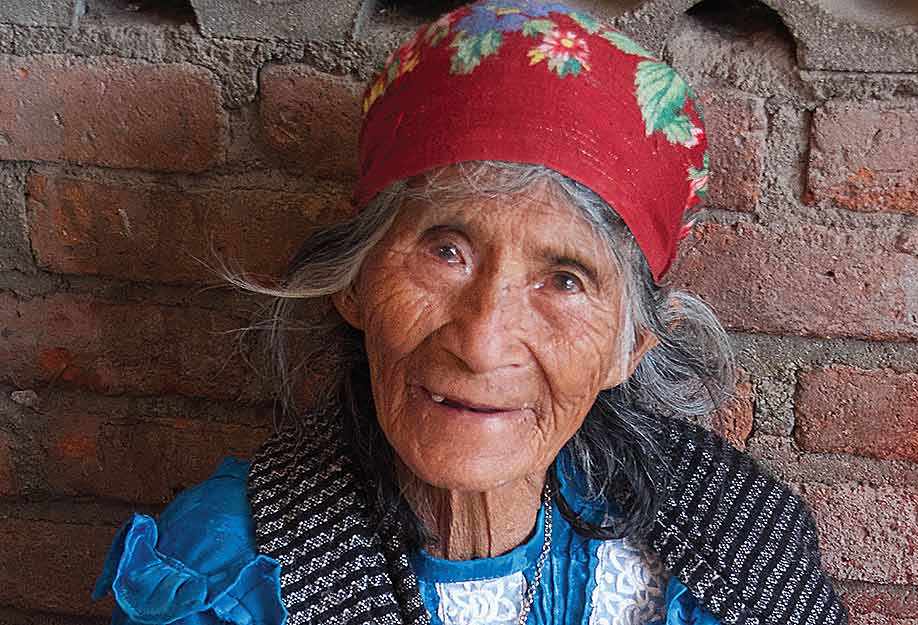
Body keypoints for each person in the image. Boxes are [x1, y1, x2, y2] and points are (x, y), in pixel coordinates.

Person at [93, 2, 847, 624]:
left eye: (565, 279)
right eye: (445, 250)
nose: (483, 343)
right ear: (353, 285)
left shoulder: (744, 552)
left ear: (631, 345)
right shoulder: (224, 578)